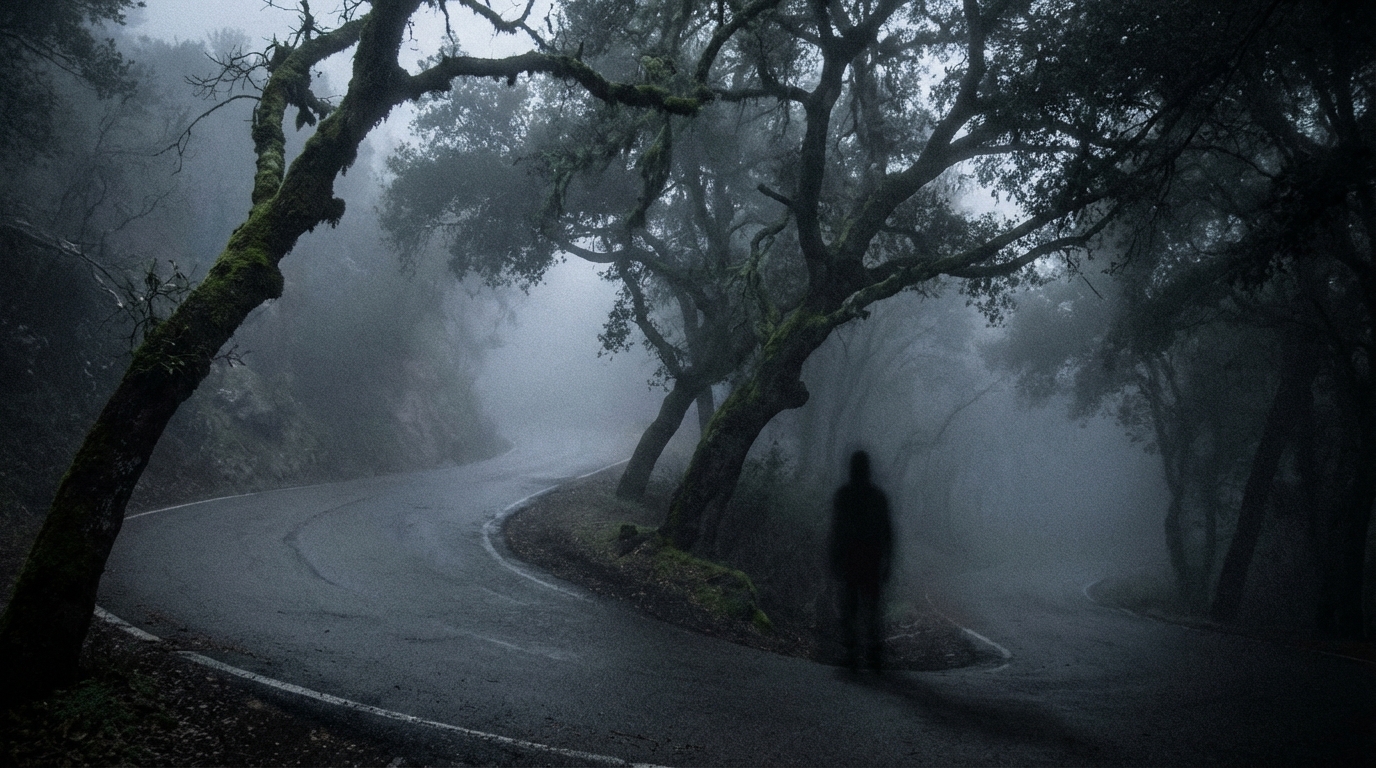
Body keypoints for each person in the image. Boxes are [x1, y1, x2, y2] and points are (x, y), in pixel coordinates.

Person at [829, 450, 894, 671]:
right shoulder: (877, 496)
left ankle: (853, 653)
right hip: (870, 559)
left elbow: (837, 531)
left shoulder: (844, 494)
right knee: (869, 609)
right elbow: (888, 533)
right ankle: (872, 654)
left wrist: (834, 558)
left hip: (852, 558)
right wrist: (888, 562)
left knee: (852, 608)